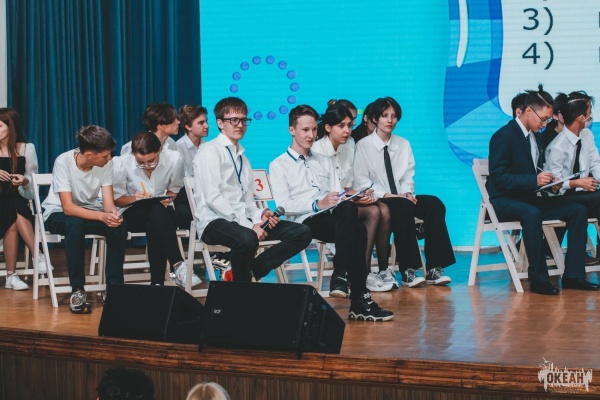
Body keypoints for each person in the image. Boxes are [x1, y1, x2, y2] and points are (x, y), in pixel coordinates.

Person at [270, 104, 393, 321]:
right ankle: (358, 296)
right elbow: (284, 204)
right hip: (305, 220)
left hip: (334, 216)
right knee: (357, 229)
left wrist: (356, 197)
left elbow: (338, 195)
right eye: (305, 130)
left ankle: (343, 278)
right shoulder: (278, 165)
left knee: (352, 216)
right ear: (292, 130)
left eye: (313, 130)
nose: (311, 135)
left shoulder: (324, 161)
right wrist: (317, 204)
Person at [487, 86, 597, 294]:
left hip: (530, 198)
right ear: (528, 111)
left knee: (577, 210)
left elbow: (535, 171)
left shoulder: (535, 135)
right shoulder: (503, 136)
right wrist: (534, 180)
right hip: (504, 201)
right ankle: (538, 280)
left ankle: (574, 276)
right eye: (543, 119)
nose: (545, 124)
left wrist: (550, 181)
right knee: (532, 213)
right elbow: (500, 178)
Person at [193, 97, 312, 282]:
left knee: (301, 232)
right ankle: (243, 288)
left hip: (242, 221)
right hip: (213, 221)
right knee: (248, 238)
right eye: (234, 120)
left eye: (243, 120)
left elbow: (248, 203)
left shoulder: (244, 159)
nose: (240, 125)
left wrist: (261, 215)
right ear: (220, 123)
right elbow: (213, 198)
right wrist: (249, 226)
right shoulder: (210, 151)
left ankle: (250, 271)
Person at [354, 97, 455, 288]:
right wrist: (390, 196)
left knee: (434, 204)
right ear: (375, 118)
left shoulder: (403, 144)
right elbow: (362, 181)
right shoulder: (363, 145)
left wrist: (407, 193)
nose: (389, 120)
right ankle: (409, 269)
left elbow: (408, 175)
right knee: (402, 206)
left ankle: (434, 268)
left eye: (393, 116)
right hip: (379, 199)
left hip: (402, 199)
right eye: (384, 115)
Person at [43, 125, 128, 313]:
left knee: (119, 226)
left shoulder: (106, 164)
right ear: (89, 155)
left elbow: (108, 203)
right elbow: (68, 207)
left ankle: (114, 289)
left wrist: (113, 215)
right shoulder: (63, 162)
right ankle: (77, 290)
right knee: (75, 225)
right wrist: (102, 216)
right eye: (105, 155)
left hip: (90, 210)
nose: (109, 158)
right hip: (58, 212)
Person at [312, 102, 394, 293]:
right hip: (328, 207)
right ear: (328, 127)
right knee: (373, 211)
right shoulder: (317, 150)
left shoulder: (349, 145)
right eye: (341, 126)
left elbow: (350, 182)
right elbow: (326, 192)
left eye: (349, 125)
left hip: (346, 200)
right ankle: (363, 273)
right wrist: (352, 197)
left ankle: (381, 270)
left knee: (382, 207)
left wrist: (360, 193)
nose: (347, 130)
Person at [113, 131, 200, 287]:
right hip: (133, 213)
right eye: (141, 162)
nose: (147, 166)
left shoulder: (174, 159)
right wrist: (134, 198)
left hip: (162, 213)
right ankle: (178, 264)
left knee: (155, 216)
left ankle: (157, 285)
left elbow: (174, 189)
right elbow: (117, 200)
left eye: (152, 161)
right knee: (156, 212)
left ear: (160, 150)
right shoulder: (122, 163)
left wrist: (168, 199)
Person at [545, 91, 600, 265]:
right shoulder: (557, 147)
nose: (591, 116)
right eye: (589, 112)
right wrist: (576, 183)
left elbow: (595, 164)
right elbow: (553, 185)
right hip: (560, 199)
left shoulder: (587, 136)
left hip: (583, 197)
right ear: (581, 118)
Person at [0, 108, 47, 290]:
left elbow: (32, 184)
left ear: (10, 127)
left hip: (15, 200)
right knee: (13, 206)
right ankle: (38, 255)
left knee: (12, 211)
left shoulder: (27, 149)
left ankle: (11, 276)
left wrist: (24, 180)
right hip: (9, 203)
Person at [174, 104, 209, 230]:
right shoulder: (177, 148)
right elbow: (183, 180)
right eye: (201, 123)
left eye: (206, 121)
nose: (206, 126)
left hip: (207, 194)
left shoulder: (209, 147)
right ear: (188, 126)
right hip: (186, 197)